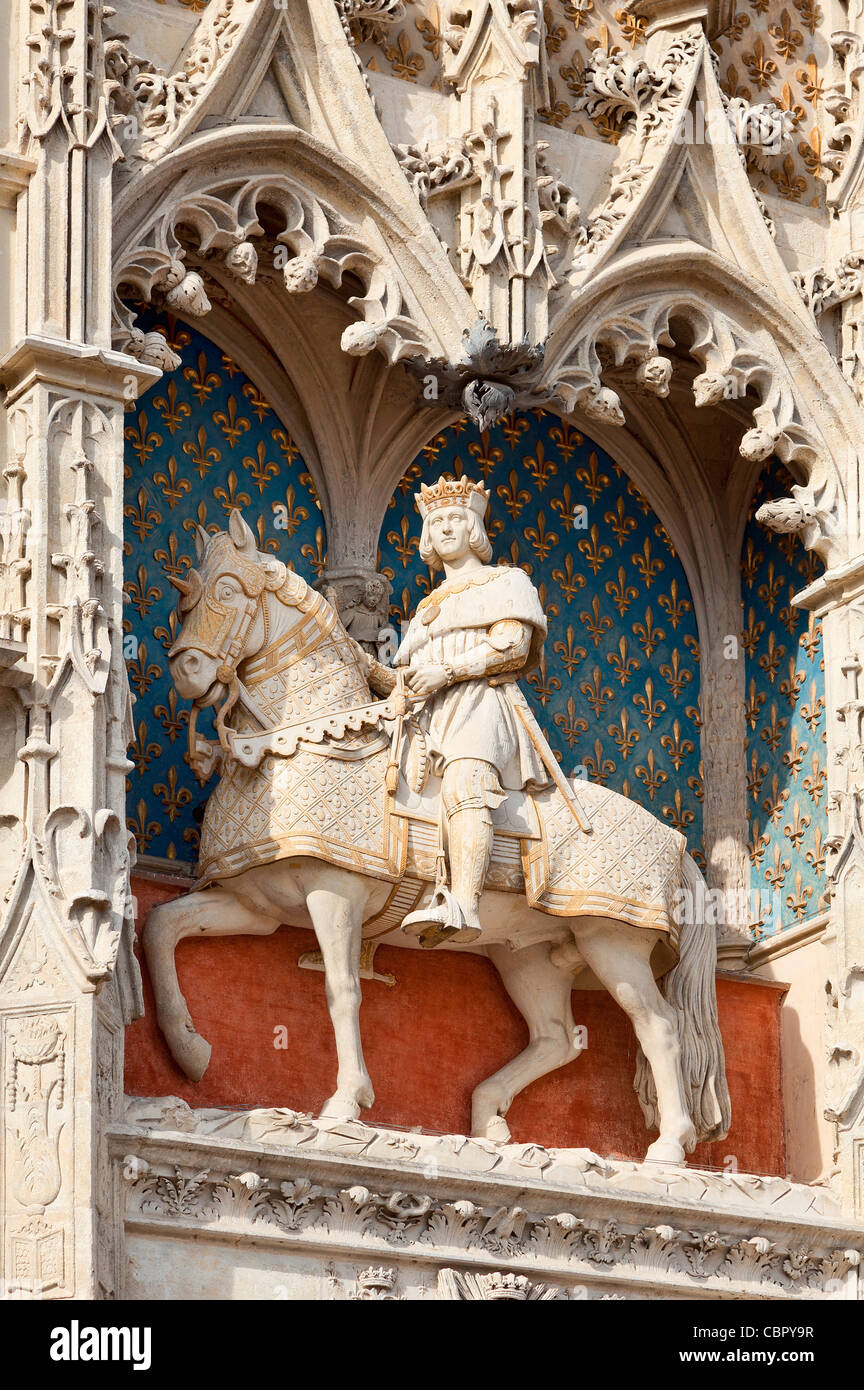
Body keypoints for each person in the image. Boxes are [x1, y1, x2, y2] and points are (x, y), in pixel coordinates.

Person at [391, 475, 557, 944]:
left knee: (465, 781)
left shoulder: (506, 580)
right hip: (427, 716)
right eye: (435, 521)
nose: (444, 528)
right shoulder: (427, 606)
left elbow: (511, 647)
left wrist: (446, 672)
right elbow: (406, 675)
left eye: (454, 520)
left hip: (482, 704)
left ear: (473, 529)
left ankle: (463, 903)